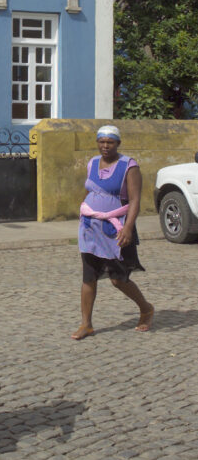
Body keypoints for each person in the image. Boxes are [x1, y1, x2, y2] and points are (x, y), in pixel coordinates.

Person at [72, 124, 154, 340]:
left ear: (118, 143)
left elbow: (135, 199)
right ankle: (86, 324)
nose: (105, 146)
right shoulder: (92, 163)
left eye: (110, 142)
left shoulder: (129, 166)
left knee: (118, 278)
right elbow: (89, 190)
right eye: (101, 141)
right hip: (91, 228)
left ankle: (146, 309)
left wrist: (128, 227)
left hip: (116, 230)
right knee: (89, 275)